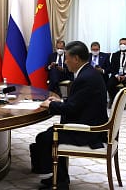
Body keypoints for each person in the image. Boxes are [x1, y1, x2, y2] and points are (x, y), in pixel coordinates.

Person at [34, 41, 108, 190]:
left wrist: (51, 105)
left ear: (76, 59)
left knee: (44, 138)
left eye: (67, 58)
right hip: (91, 122)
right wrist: (60, 100)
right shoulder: (89, 72)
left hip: (88, 131)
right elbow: (79, 101)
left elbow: (72, 108)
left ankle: (60, 182)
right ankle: (59, 176)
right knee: (50, 133)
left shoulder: (85, 77)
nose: (65, 61)